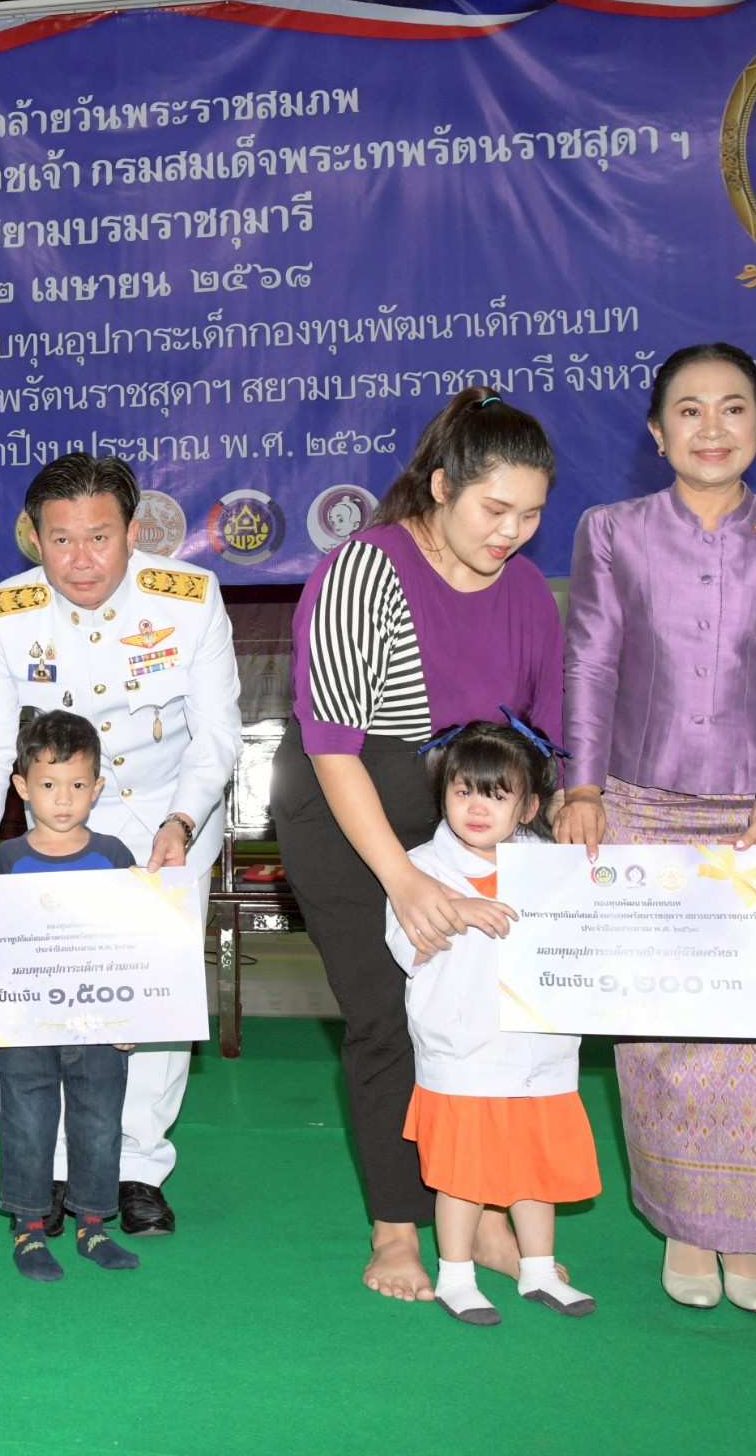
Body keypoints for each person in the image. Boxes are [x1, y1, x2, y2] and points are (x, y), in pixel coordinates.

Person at [555, 342, 756, 1315]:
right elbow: (591, 663)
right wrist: (584, 785)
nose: (710, 427)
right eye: (688, 409)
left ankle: (750, 1234)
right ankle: (686, 1222)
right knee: (664, 1032)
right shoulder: (612, 531)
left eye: (731, 409)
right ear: (655, 431)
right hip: (640, 805)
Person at [267, 385, 564, 1301]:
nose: (512, 532)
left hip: (470, 814)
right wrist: (403, 881)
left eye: (532, 514)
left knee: (493, 1020)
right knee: (391, 1022)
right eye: (494, 509)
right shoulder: (365, 568)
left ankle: (485, 1216)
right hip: (349, 813)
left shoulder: (526, 593)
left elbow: (547, 741)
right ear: (441, 487)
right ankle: (397, 1231)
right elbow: (331, 746)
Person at [0, 452, 240, 1237]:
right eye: (61, 539)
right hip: (60, 822)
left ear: (133, 533)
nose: (80, 558)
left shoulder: (190, 599)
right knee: (60, 992)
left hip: (167, 816)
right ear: (34, 538)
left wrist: (180, 826)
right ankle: (67, 1167)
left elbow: (216, 737)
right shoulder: (4, 612)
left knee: (157, 995)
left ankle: (138, 1168)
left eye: (99, 537)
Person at [387, 721, 599, 1327]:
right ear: (444, 794)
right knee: (462, 1172)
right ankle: (456, 1275)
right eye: (463, 791)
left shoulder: (554, 866)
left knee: (537, 1168)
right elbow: (406, 943)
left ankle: (537, 1268)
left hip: (541, 1052)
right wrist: (455, 911)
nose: (477, 807)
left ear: (530, 806)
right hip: (466, 1052)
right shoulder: (419, 867)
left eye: (498, 794)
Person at [0, 710, 145, 1282]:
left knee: (99, 1122)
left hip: (99, 1024)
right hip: (21, 1026)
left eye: (77, 785)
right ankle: (28, 1229)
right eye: (48, 785)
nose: (63, 799)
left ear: (97, 787)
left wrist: (135, 1011)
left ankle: (93, 1225)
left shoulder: (118, 856)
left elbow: (139, 941)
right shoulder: (10, 859)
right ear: (22, 788)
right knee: (26, 1122)